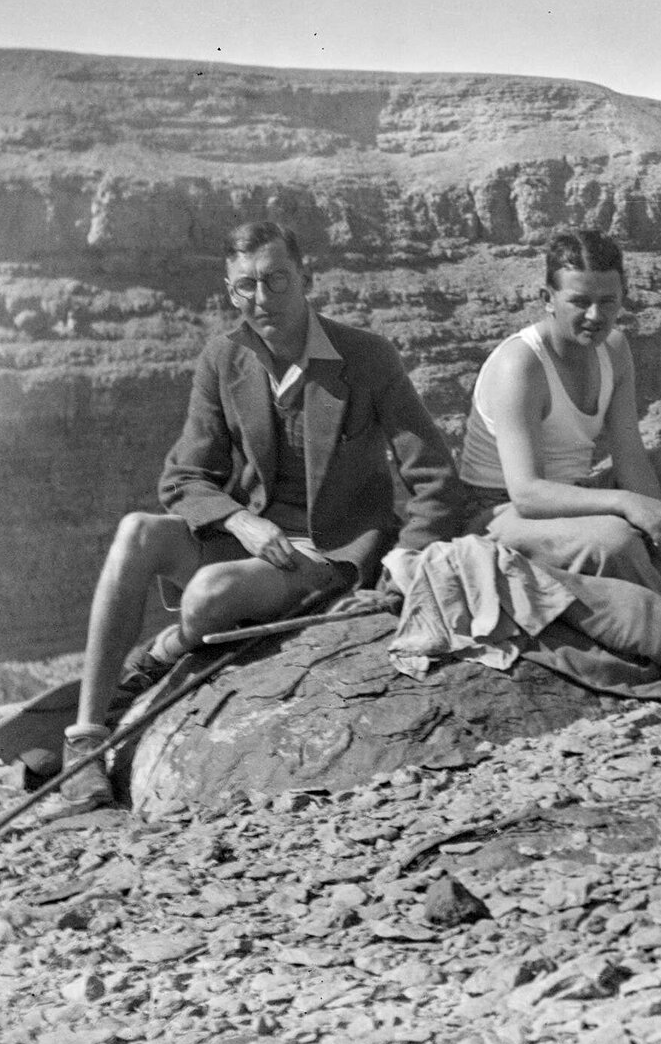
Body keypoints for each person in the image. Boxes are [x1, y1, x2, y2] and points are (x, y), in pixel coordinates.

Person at [38, 220, 472, 814]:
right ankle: (86, 740)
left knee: (208, 596)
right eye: (246, 286)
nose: (262, 300)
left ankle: (163, 651)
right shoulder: (224, 358)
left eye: (276, 281)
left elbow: (435, 477)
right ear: (229, 289)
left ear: (307, 279)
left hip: (329, 552)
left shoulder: (365, 357)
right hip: (254, 541)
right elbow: (182, 478)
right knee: (135, 532)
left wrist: (406, 557)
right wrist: (241, 521)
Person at [457, 229, 661, 593]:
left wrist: (657, 526)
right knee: (616, 539)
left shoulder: (613, 348)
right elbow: (527, 494)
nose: (595, 315)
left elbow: (630, 459)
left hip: (572, 494)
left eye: (608, 302)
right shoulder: (521, 365)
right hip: (500, 513)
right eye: (579, 301)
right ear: (547, 298)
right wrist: (627, 504)